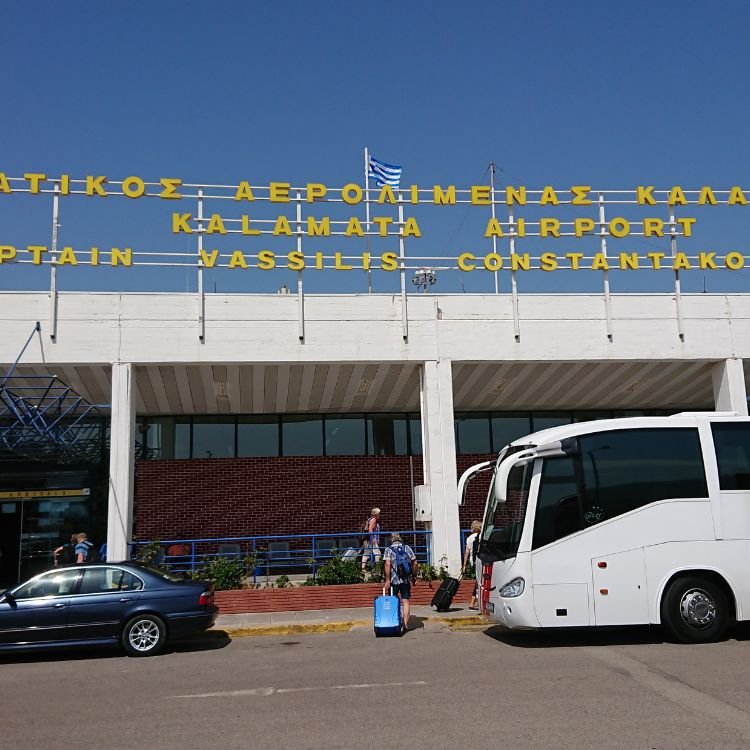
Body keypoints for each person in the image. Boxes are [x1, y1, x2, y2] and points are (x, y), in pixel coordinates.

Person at [383, 532, 417, 633]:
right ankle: (405, 624)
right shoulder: (407, 548)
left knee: (394, 601)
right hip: (405, 579)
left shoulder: (388, 550)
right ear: (400, 539)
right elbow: (415, 562)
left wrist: (387, 580)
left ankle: (395, 622)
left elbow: (387, 564)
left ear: (391, 540)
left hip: (394, 580)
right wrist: (414, 576)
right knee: (405, 601)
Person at [463, 520, 482, 611]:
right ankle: (472, 603)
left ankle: (475, 602)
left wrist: (464, 565)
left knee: (478, 581)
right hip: (482, 561)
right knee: (479, 582)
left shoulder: (469, 538)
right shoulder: (482, 536)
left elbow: (467, 552)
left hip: (473, 562)